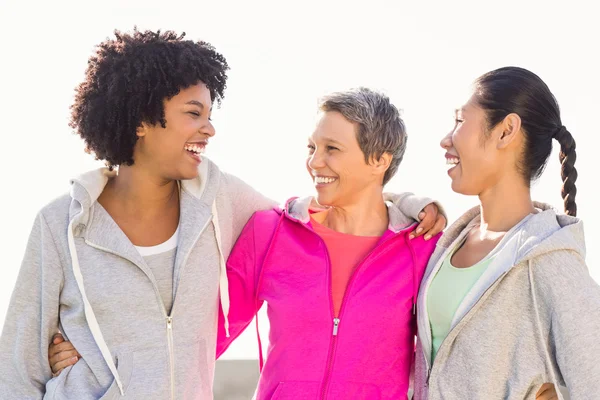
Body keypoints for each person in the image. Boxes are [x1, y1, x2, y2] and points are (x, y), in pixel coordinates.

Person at [0, 29, 443, 399]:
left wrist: (405, 203)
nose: (209, 128)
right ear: (140, 119)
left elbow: (324, 211)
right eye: (194, 114)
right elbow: (20, 362)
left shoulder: (223, 200)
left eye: (209, 114)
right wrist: (93, 355)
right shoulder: (62, 223)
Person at [215, 88, 445, 399]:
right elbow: (205, 337)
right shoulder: (270, 233)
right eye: (312, 147)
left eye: (332, 148)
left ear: (379, 160)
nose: (314, 162)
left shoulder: (422, 248)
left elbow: (447, 357)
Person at [414, 67, 600, 399]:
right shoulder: (448, 244)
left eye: (459, 121)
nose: (445, 139)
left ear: (506, 131)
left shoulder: (550, 260)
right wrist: (414, 203)